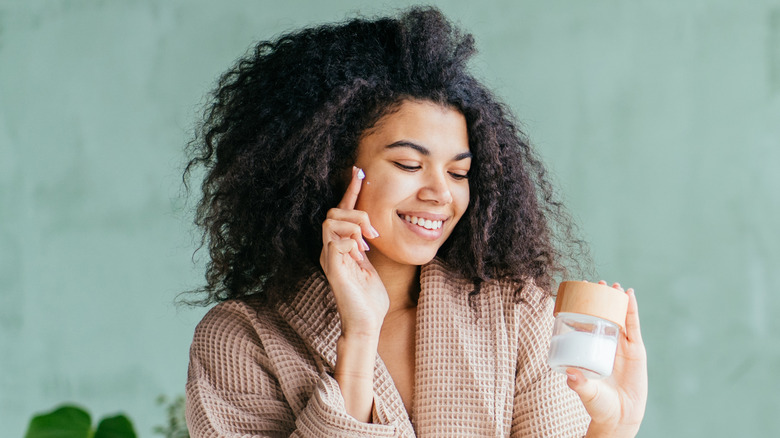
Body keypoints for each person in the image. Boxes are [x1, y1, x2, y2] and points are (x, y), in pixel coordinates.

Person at [183, 6, 647, 437]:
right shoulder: (240, 339)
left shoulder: (518, 313)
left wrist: (612, 429)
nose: (441, 193)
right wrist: (359, 339)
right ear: (325, 165)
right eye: (408, 164)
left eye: (459, 172)